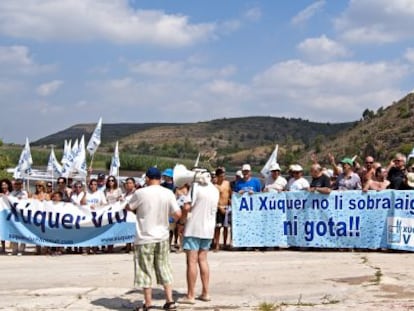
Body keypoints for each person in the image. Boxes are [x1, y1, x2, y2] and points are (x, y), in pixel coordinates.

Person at [126, 167, 182, 311]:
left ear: (147, 178)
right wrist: (168, 221)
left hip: (144, 236)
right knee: (164, 268)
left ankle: (148, 303)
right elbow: (178, 214)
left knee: (145, 270)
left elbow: (129, 207)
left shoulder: (140, 193)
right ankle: (170, 301)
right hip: (162, 236)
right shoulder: (168, 193)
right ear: (160, 178)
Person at [179, 169, 219, 305]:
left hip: (193, 228)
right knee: (203, 260)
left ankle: (190, 295)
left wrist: (181, 221)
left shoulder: (195, 187)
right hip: (208, 229)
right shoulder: (215, 189)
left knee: (191, 261)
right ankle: (205, 292)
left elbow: (186, 207)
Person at [213, 167, 232, 251]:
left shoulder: (227, 183)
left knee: (226, 227)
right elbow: (213, 199)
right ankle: (216, 244)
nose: (223, 177)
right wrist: (219, 207)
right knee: (218, 227)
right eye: (221, 176)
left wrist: (231, 201)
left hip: (227, 207)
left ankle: (225, 243)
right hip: (218, 207)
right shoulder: (215, 186)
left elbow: (230, 194)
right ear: (217, 176)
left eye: (224, 175)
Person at [9, 179, 29, 256]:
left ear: (21, 185)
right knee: (14, 231)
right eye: (16, 184)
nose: (17, 185)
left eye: (19, 184)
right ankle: (14, 249)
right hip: (14, 215)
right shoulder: (12, 193)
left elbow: (26, 202)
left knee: (22, 231)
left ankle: (21, 249)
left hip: (22, 215)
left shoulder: (24, 193)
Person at [0, 178, 13, 254]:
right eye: (2, 185)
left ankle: (13, 246)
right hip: (2, 214)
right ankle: (3, 247)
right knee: (2, 230)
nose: (4, 186)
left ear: (8, 185)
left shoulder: (11, 194)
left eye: (5, 185)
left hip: (11, 214)